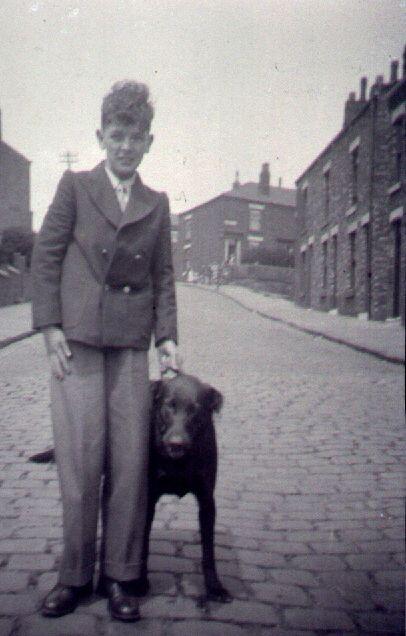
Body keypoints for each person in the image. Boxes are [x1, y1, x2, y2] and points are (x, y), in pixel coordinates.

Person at [31, 81, 179, 622]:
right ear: (101, 136)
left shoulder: (156, 204)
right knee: (78, 463)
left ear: (148, 142)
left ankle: (120, 576)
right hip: (76, 346)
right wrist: (49, 327)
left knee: (128, 465)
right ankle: (73, 577)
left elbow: (165, 277)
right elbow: (45, 259)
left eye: (134, 137)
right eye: (116, 136)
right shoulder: (74, 188)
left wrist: (167, 341)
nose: (124, 146)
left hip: (130, 352)